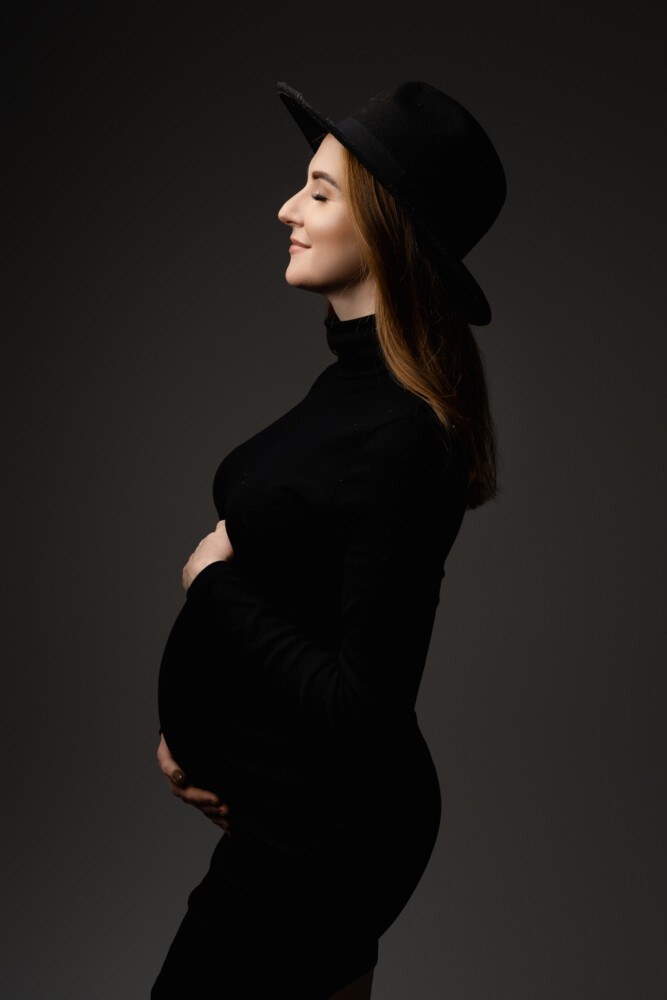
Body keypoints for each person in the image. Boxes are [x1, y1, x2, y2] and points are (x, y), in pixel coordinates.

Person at [151, 80, 506, 999]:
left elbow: (362, 705)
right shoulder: (350, 390)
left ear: (386, 227)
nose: (286, 208)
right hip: (290, 808)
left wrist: (210, 586)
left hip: (329, 832)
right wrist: (198, 742)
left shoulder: (404, 437)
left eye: (317, 192)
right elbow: (304, 596)